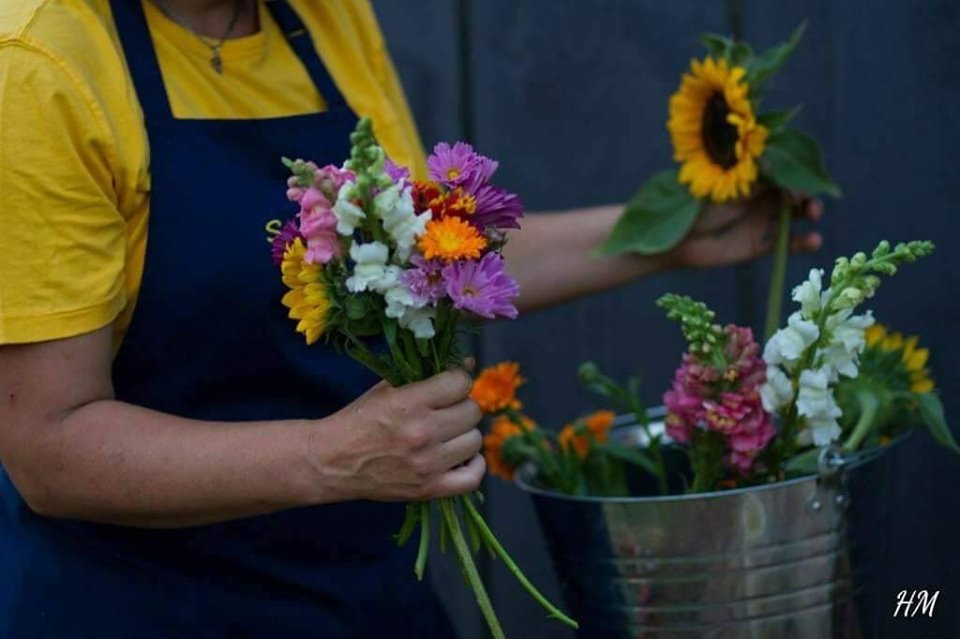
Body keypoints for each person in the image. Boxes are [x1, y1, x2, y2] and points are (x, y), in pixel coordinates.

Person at [0, 0, 823, 636]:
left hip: (357, 595)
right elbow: (48, 444)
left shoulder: (321, 19)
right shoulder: (39, 63)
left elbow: (430, 261)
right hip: (142, 609)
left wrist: (664, 235)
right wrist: (329, 457)